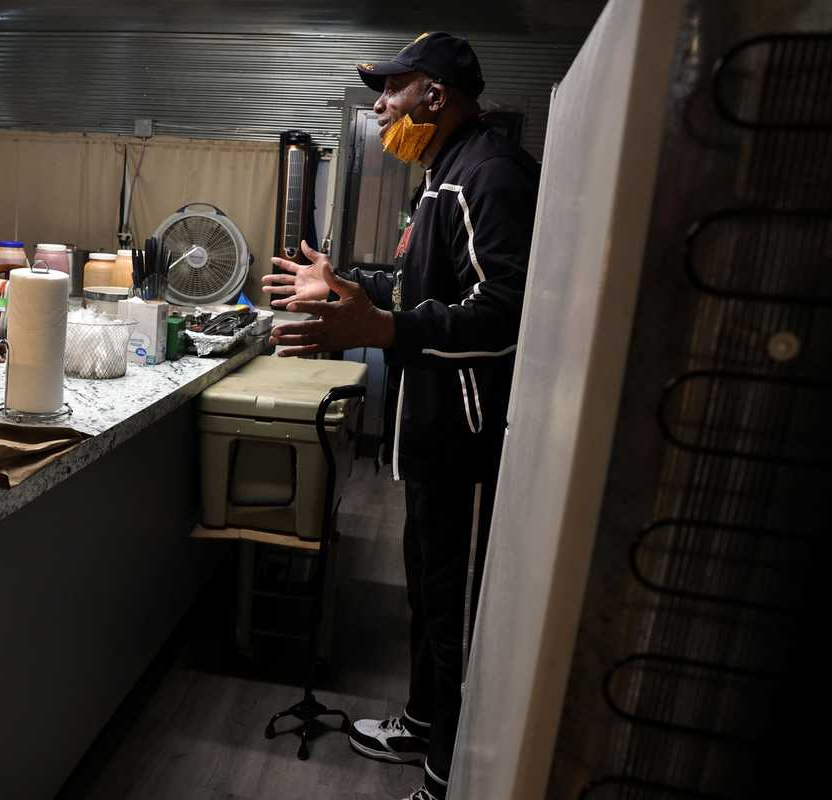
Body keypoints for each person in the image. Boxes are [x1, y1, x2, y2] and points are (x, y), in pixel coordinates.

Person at [263, 32, 540, 800]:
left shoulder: (488, 175)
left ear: (436, 96)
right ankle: (422, 726)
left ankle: (446, 780)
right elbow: (432, 291)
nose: (381, 106)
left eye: (393, 88)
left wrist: (385, 329)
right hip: (431, 437)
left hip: (467, 443)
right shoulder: (444, 173)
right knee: (426, 588)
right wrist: (345, 283)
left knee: (453, 614)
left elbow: (507, 312)